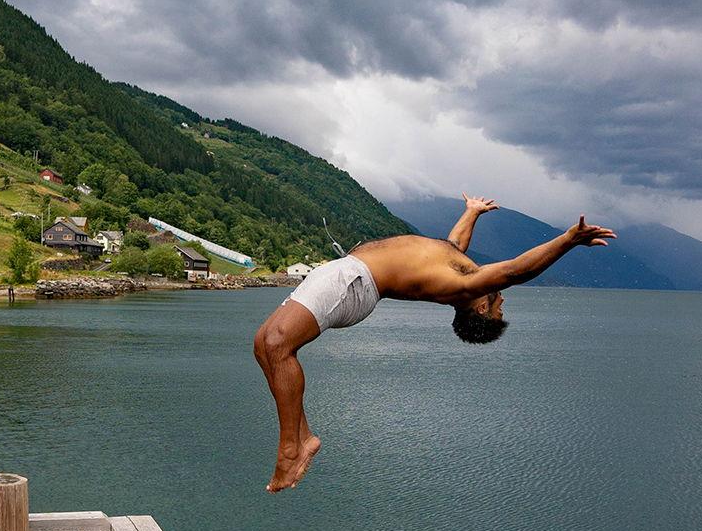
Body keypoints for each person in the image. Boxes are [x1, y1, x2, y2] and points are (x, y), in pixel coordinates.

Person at [252, 194, 616, 491]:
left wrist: (567, 241)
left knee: (277, 344)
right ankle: (304, 436)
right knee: (263, 346)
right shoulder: (459, 268)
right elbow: (452, 244)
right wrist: (472, 212)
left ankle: (290, 449)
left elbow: (516, 270)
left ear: (480, 309)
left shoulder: (460, 286)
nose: (503, 302)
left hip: (355, 282)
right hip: (345, 274)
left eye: (498, 311)